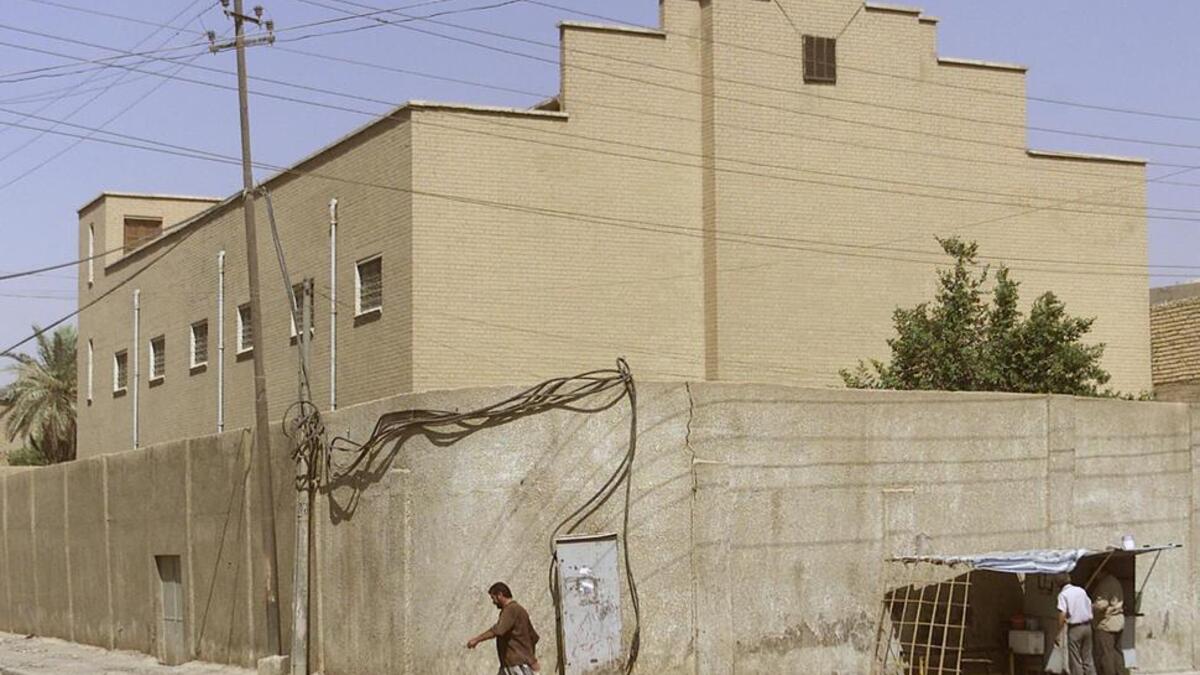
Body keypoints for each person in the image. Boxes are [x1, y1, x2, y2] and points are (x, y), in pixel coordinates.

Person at [467, 582, 540, 675]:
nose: (493, 602)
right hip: (512, 664)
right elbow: (534, 637)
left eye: (493, 598)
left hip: (515, 666)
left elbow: (498, 630)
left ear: (500, 595)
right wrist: (530, 658)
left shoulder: (511, 609)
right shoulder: (519, 610)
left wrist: (476, 640)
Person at [1056, 573, 1098, 675]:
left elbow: (1062, 613)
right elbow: (1091, 605)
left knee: (1075, 659)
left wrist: (1059, 631)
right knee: (1087, 657)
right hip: (1087, 626)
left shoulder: (1063, 595)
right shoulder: (1081, 590)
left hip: (1075, 628)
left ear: (1058, 584)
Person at [1091, 572, 1125, 675]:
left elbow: (1102, 604)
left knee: (1106, 654)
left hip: (1106, 623)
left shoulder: (1104, 584)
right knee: (1117, 652)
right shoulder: (1115, 581)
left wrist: (1091, 606)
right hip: (1119, 621)